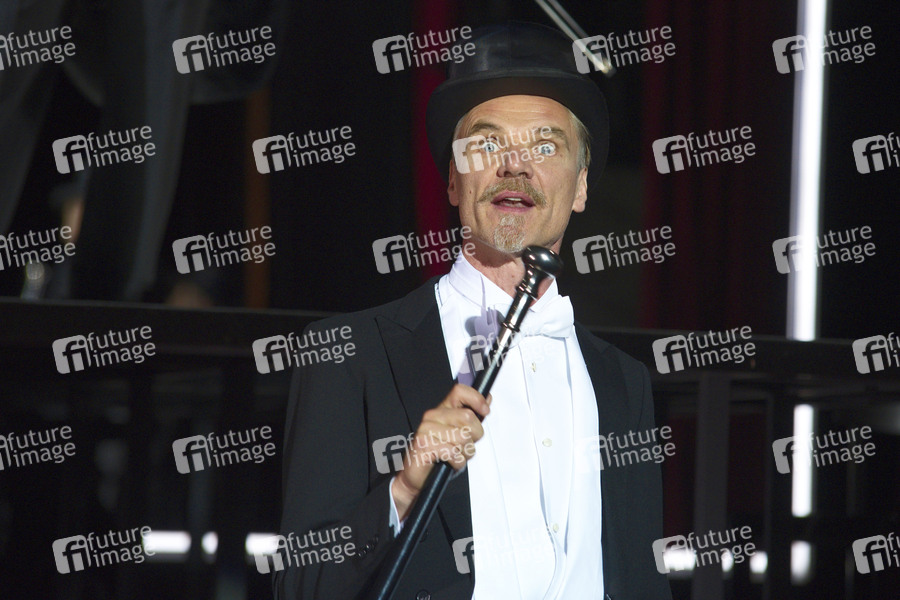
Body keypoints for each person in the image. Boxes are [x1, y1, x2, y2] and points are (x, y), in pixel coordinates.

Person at [275, 22, 672, 600]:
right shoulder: (349, 355)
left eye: (545, 146)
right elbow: (300, 585)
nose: (515, 166)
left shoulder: (623, 382)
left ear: (582, 186)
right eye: (487, 144)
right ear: (454, 182)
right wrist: (403, 490)